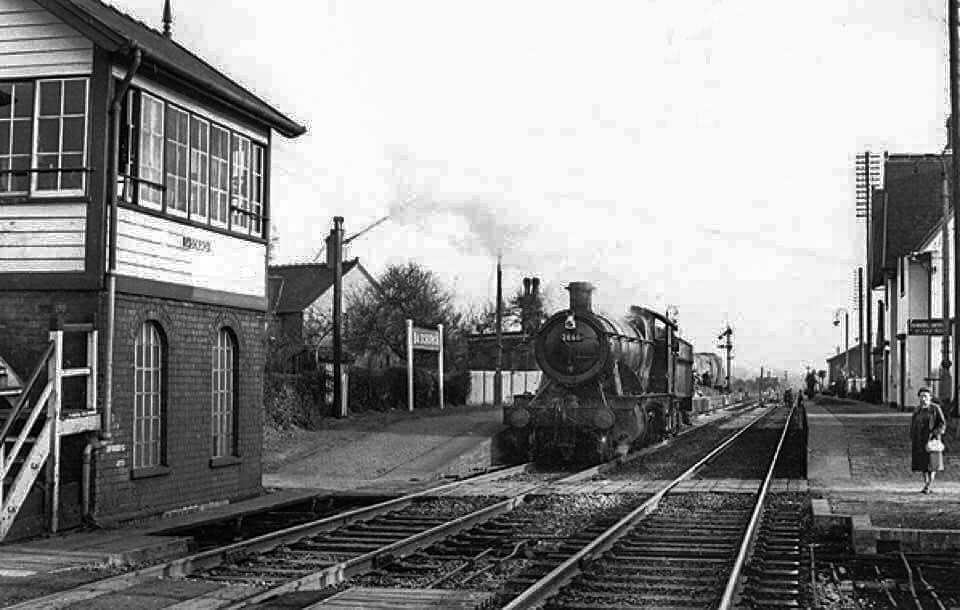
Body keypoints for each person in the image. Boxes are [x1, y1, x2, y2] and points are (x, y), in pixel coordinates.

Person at [911, 387, 947, 494]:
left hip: (932, 440)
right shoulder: (917, 409)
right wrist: (912, 436)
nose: (923, 399)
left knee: (932, 464)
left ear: (930, 397)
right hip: (920, 440)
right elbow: (913, 423)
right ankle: (926, 483)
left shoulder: (935, 409)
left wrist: (935, 433)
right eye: (921, 396)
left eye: (925, 396)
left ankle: (928, 485)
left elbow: (942, 423)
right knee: (923, 464)